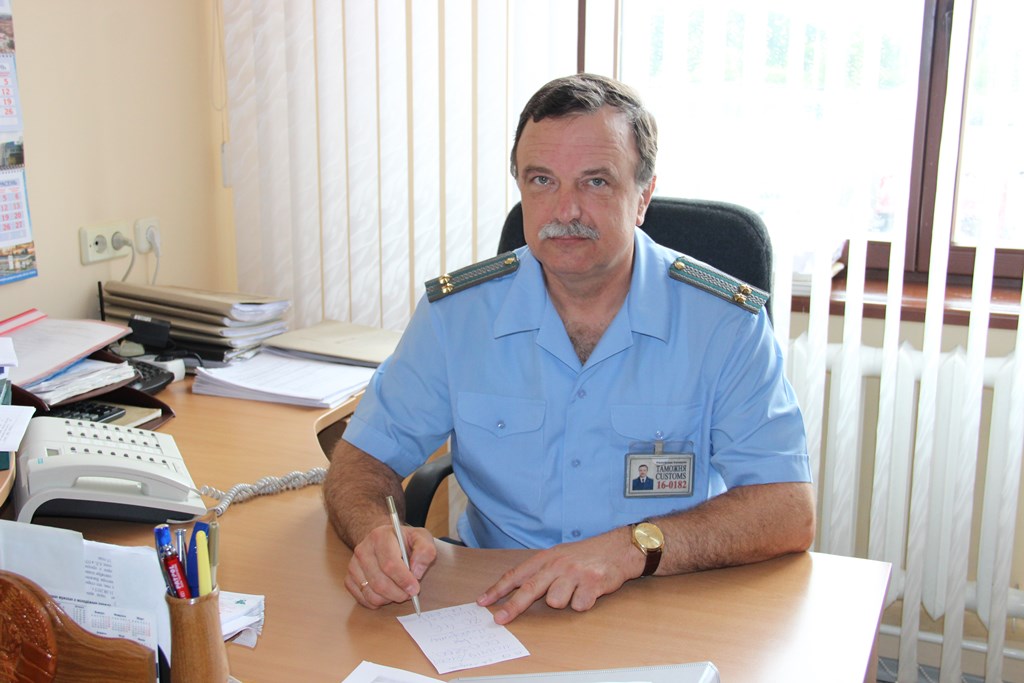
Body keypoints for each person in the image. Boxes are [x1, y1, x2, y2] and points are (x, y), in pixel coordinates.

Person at [323, 73, 815, 625]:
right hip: (495, 603)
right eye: (542, 180)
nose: (566, 211)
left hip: (661, 601)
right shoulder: (457, 316)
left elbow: (786, 509)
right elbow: (362, 460)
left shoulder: (723, 324)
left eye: (595, 182)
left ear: (643, 197)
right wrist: (376, 531)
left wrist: (631, 548)